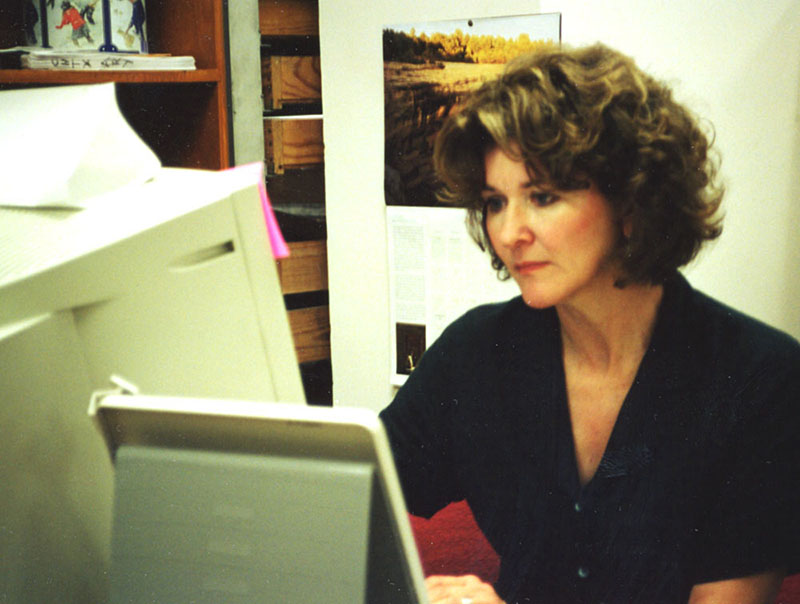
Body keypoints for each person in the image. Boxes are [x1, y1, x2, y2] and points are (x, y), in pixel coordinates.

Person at [379, 42, 800, 604]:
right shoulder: (475, 355)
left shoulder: (759, 380)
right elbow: (348, 496)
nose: (508, 233)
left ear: (632, 200)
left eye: (543, 196)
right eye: (495, 201)